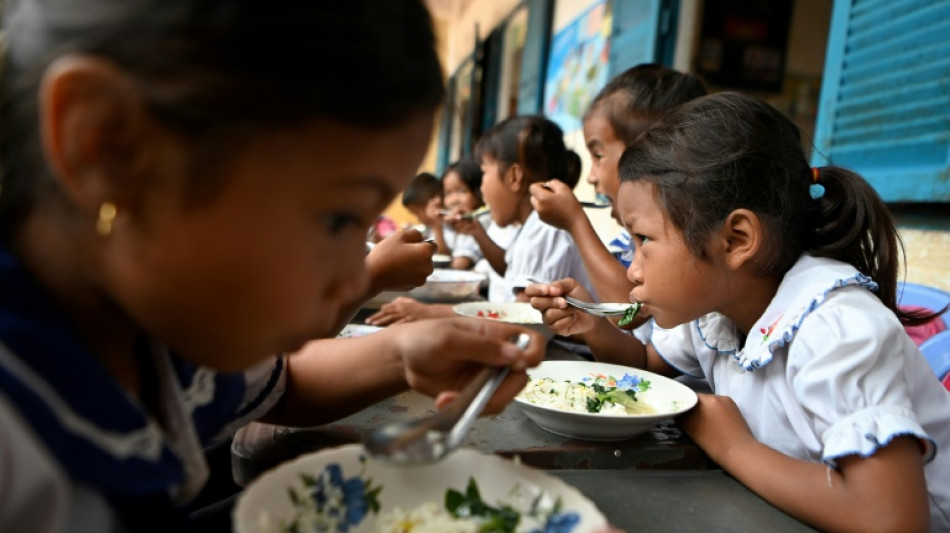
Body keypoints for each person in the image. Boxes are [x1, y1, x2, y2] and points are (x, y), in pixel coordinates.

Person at [0, 1, 547, 531]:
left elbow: (278, 384)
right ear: (105, 145)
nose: (357, 279)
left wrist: (404, 354)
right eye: (338, 218)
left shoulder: (155, 332)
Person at [527, 92, 950, 532]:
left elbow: (892, 520)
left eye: (644, 240)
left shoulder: (838, 330)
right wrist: (594, 328)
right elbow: (646, 364)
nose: (632, 268)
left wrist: (734, 448)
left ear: (736, 239)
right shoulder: (718, 311)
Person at [529, 64, 706, 310]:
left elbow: (631, 314)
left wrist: (575, 223)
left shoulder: (686, 246)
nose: (591, 177)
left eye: (599, 156)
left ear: (646, 154)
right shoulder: (626, 243)